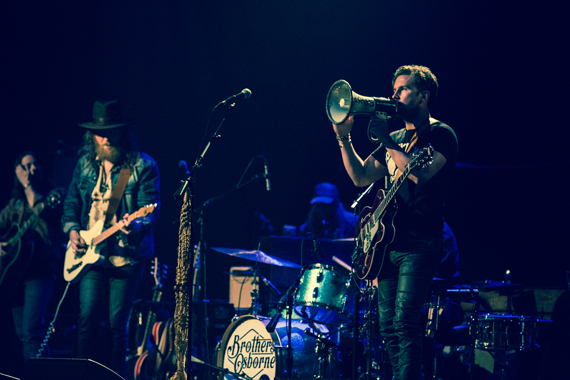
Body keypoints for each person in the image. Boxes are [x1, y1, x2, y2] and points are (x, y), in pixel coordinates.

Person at [332, 65, 458, 379]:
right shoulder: (398, 136)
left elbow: (421, 174)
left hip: (420, 243)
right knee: (387, 326)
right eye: (395, 89)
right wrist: (344, 140)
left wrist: (386, 139)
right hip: (387, 243)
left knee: (405, 322)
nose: (394, 95)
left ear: (423, 96)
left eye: (403, 89)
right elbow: (361, 177)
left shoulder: (441, 134)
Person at [62, 100, 160, 376]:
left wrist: (136, 225)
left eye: (111, 132)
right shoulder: (84, 164)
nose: (104, 138)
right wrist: (72, 231)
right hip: (89, 253)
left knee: (118, 325)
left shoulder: (142, 165)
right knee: (86, 319)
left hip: (125, 258)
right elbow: (71, 204)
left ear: (124, 132)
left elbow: (151, 210)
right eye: (99, 132)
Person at [0, 151, 62, 370]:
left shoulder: (53, 196)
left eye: (35, 164)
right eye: (26, 166)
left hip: (41, 271)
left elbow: (40, 208)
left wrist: (28, 186)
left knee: (32, 331)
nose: (32, 169)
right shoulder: (15, 204)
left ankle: (40, 376)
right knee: (22, 334)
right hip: (16, 275)